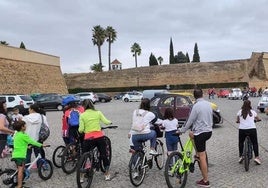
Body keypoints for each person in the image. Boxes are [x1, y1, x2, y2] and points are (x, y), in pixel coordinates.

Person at [178, 88, 212, 187]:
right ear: (202, 94)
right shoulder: (208, 104)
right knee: (191, 134)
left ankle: (205, 181)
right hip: (208, 132)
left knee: (202, 157)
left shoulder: (195, 106)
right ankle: (197, 154)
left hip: (200, 133)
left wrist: (181, 130)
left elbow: (190, 121)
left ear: (194, 96)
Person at [78, 99, 112, 181]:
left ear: (84, 106)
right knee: (104, 154)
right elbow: (106, 122)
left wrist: (82, 130)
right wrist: (110, 122)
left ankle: (81, 176)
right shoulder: (98, 113)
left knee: (84, 156)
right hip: (99, 137)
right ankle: (107, 174)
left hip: (88, 139)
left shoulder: (82, 115)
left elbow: (81, 129)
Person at [12, 120, 44, 188]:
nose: (26, 126)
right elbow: (32, 141)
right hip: (20, 156)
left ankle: (20, 180)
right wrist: (41, 145)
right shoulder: (23, 135)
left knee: (22, 168)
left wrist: (27, 146)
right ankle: (19, 185)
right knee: (20, 170)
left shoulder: (17, 134)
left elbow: (18, 143)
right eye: (25, 125)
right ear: (22, 127)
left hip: (16, 154)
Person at [236, 100, 261, 165]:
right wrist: (257, 120)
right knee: (255, 143)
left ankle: (241, 156)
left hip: (242, 130)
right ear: (250, 105)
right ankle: (257, 157)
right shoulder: (253, 112)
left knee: (241, 143)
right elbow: (258, 119)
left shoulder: (239, 112)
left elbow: (237, 120)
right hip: (252, 129)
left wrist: (238, 121)